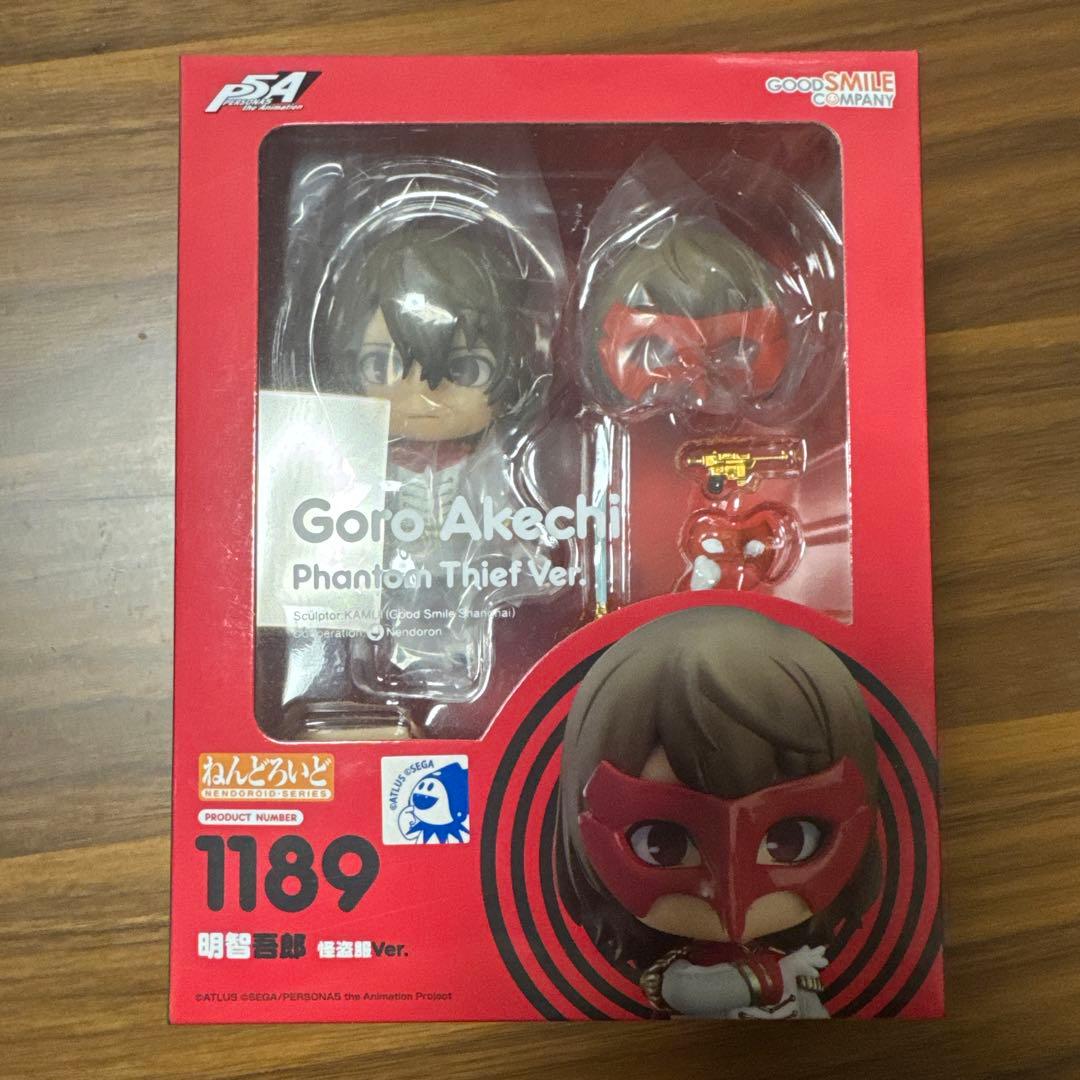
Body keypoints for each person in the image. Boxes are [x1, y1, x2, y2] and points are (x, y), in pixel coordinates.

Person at [556, 605, 880, 1018]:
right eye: (663, 845)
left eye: (790, 840)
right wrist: (780, 975)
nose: (731, 899)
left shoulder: (781, 959)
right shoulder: (685, 973)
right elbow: (689, 994)